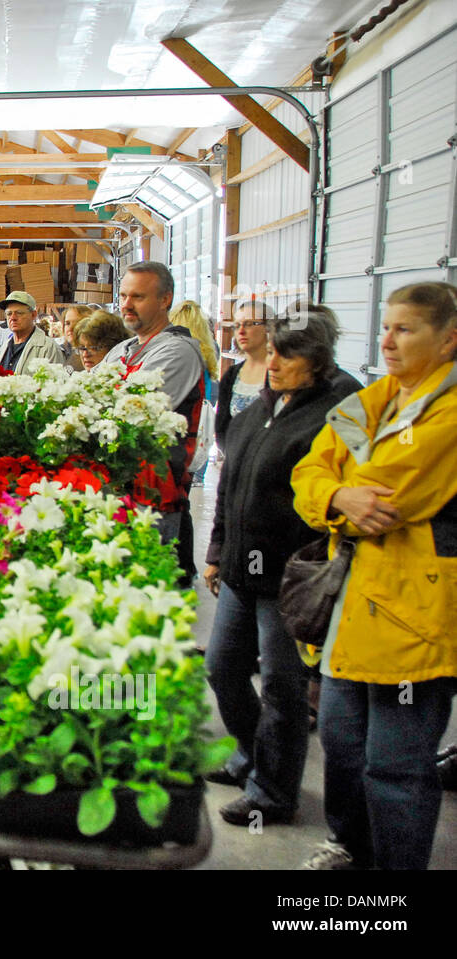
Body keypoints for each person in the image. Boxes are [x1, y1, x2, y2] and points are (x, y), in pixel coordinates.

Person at [292, 281, 457, 871]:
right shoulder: (377, 398)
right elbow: (310, 469)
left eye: (405, 329)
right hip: (348, 607)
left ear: (449, 339)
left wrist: (340, 490)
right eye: (385, 327)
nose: (386, 341)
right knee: (341, 746)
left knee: (396, 765)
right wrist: (338, 493)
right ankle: (351, 848)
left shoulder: (448, 412)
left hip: (412, 618)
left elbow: (390, 492)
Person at [201, 306, 360, 830]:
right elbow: (228, 487)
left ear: (315, 362)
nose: (272, 362)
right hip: (241, 575)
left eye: (286, 355)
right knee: (222, 667)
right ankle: (251, 754)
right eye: (271, 351)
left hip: (288, 579)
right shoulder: (258, 410)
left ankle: (273, 791)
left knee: (282, 689)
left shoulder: (332, 416)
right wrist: (218, 550)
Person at [101, 261, 206, 586]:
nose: (127, 305)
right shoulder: (124, 348)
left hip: (154, 498)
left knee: (150, 597)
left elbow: (130, 412)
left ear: (165, 300)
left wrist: (100, 395)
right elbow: (86, 396)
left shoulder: (178, 351)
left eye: (138, 297)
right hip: (119, 490)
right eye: (123, 295)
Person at [170, 300, 221, 486]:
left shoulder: (173, 347)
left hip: (180, 409)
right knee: (200, 438)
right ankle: (199, 476)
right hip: (203, 402)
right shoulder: (210, 346)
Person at [216, 299, 275, 455]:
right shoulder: (232, 375)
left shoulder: (280, 373)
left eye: (249, 324)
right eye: (237, 325)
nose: (241, 331)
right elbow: (221, 427)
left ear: (268, 328)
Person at [0, 291, 66, 374]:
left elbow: (55, 383)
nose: (13, 318)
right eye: (9, 314)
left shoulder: (48, 348)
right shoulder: (4, 348)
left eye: (19, 313)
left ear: (33, 315)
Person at [58, 305, 92, 372]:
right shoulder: (61, 350)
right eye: (67, 323)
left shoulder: (92, 355)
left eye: (77, 323)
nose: (70, 328)